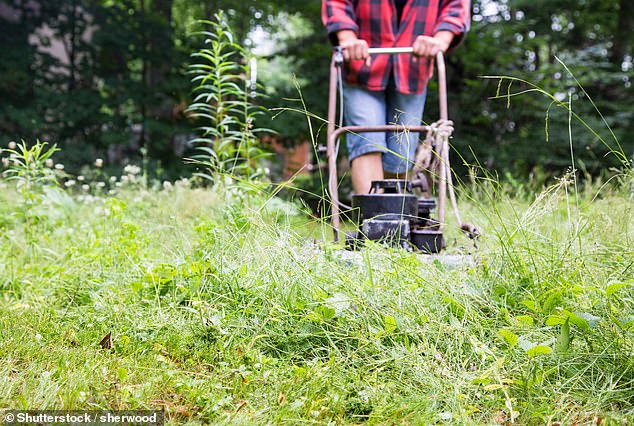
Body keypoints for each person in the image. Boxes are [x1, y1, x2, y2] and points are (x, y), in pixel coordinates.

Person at [322, 0, 470, 194]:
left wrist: (440, 40)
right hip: (360, 66)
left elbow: (456, 6)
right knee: (367, 140)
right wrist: (347, 37)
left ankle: (395, 218)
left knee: (401, 155)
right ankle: (373, 219)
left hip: (413, 69)